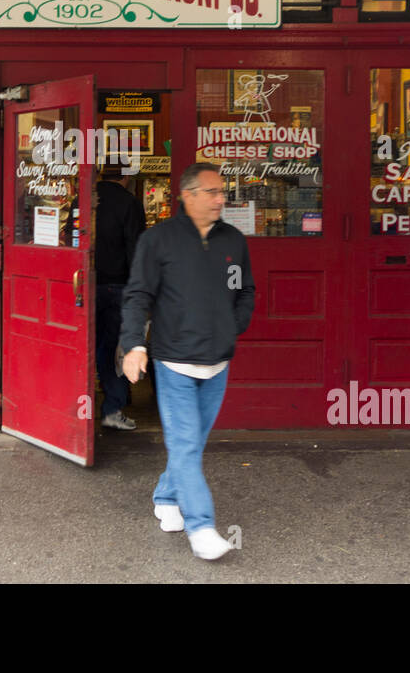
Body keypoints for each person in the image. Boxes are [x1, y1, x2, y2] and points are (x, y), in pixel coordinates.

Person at [120, 163, 256, 559]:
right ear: (188, 195)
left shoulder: (232, 241)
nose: (220, 199)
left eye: (222, 192)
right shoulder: (159, 241)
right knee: (184, 443)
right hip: (174, 361)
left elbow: (241, 287)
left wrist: (233, 325)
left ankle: (165, 495)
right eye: (212, 192)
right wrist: (134, 345)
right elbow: (138, 295)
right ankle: (201, 527)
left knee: (191, 444)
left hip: (217, 362)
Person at [93, 168, 146, 430]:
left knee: (85, 347)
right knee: (116, 351)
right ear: (125, 177)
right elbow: (137, 249)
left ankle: (69, 410)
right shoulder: (130, 203)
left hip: (86, 284)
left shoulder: (87, 198)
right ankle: (112, 410)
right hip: (119, 286)